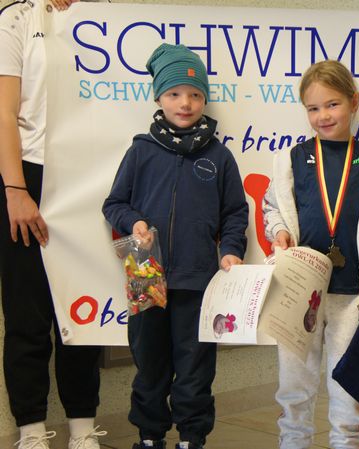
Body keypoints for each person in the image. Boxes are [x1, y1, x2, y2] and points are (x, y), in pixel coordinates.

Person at [102, 43, 249, 449]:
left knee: (195, 366)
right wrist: (133, 221)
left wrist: (231, 249)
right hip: (146, 276)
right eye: (174, 94)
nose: (185, 103)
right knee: (149, 364)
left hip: (198, 280)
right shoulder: (140, 151)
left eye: (195, 94)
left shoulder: (219, 157)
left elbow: (235, 213)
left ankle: (191, 437)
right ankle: (149, 436)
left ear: (204, 99)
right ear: (159, 98)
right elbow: (113, 204)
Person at [262, 59, 359, 449]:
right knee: (294, 386)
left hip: (352, 293)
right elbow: (273, 208)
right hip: (298, 291)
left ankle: (348, 441)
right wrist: (279, 231)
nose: (323, 116)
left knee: (349, 389)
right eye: (313, 108)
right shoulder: (290, 159)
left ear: (354, 102)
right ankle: (293, 442)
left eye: (332, 104)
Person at [0, 1, 106, 448]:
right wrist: (16, 189)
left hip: (89, 176)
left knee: (83, 307)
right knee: (27, 312)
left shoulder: (108, 15)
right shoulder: (18, 18)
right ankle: (31, 431)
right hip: (30, 174)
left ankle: (82, 429)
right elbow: (4, 113)